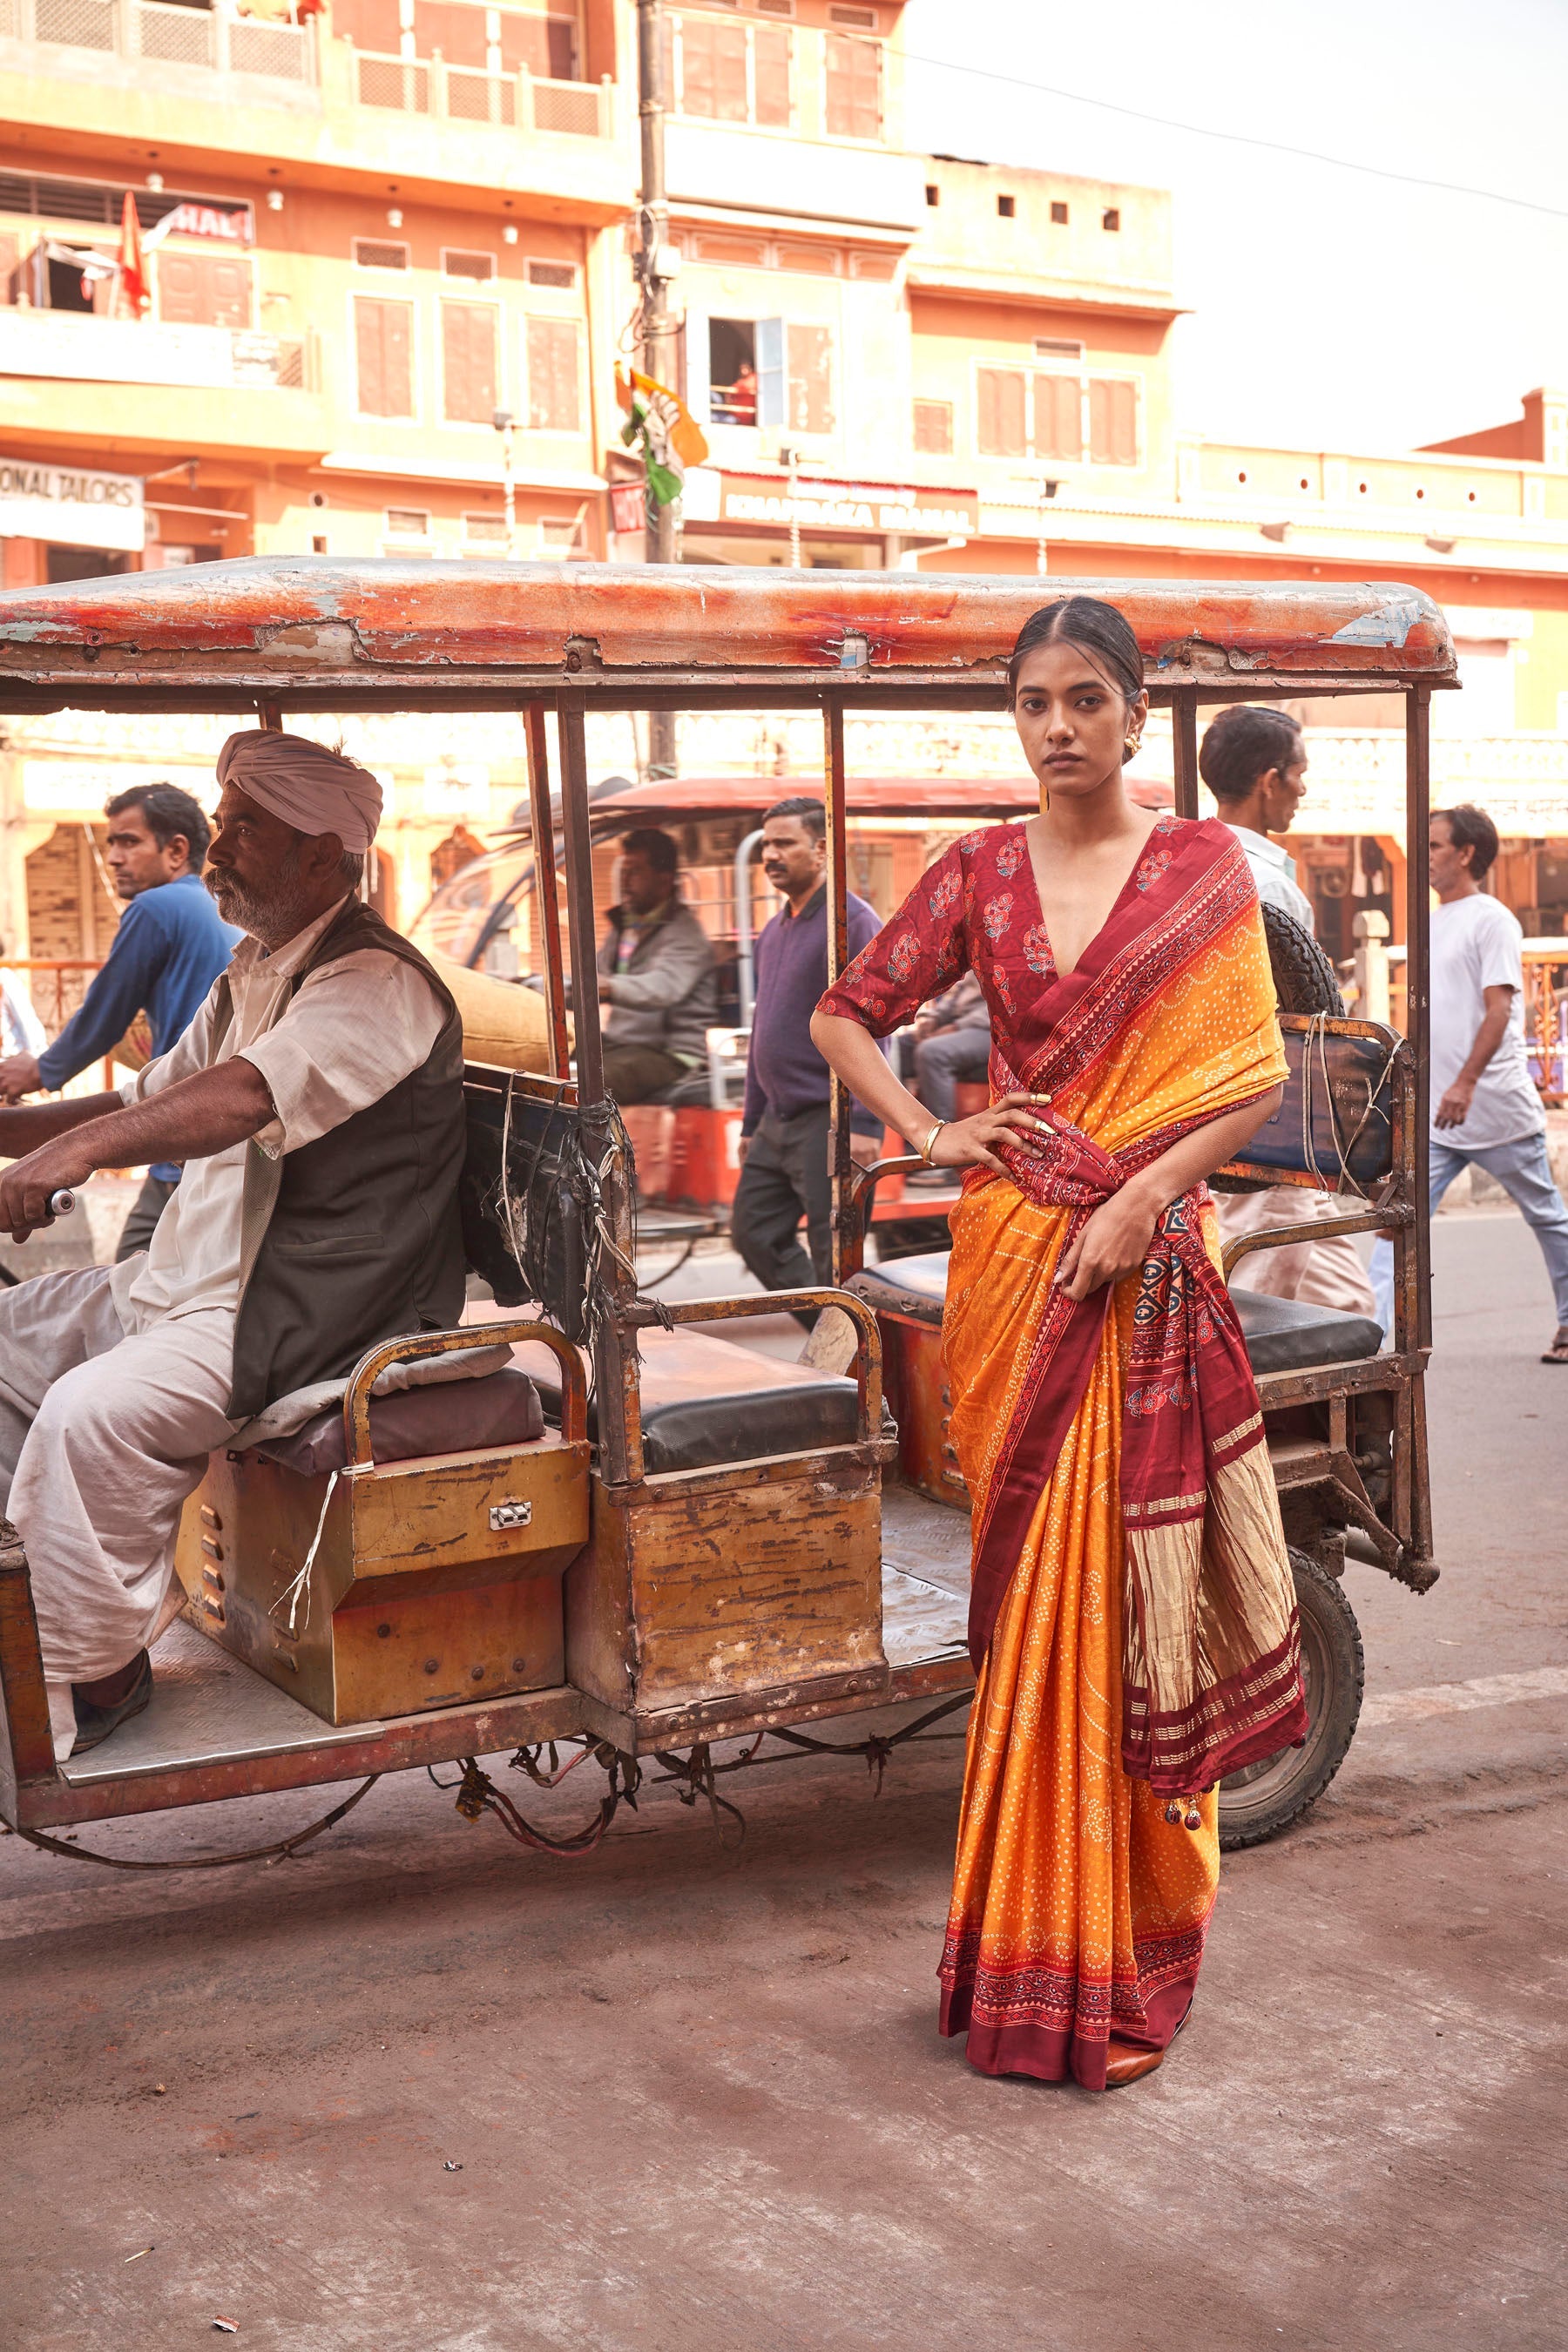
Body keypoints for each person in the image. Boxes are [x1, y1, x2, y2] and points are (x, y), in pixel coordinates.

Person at [812, 597, 1304, 2092]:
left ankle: (1128, 1934)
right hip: (1019, 1255)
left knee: (1125, 1597)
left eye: (1086, 697)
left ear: (1136, 714)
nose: (1058, 725)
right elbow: (848, 1015)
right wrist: (929, 1126)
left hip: (1140, 1259)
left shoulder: (1202, 868)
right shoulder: (972, 869)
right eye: (1034, 701)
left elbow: (1251, 1078)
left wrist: (1144, 1198)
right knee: (1035, 1605)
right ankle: (1026, 1949)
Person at [0, 730, 466, 1764]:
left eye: (243, 827)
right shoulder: (258, 969)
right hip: (189, 1283)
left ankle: (96, 1670)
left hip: (301, 1307)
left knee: (90, 1416)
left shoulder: (378, 985)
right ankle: (30, 1610)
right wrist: (15, 1139)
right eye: (222, 822)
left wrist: (69, 1155)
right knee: (6, 1339)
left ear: (322, 855)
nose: (217, 847)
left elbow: (242, 1097)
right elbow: (143, 1097)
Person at [0, 783, 240, 1262]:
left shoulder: (157, 908)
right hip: (214, 1127)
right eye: (112, 842)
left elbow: (104, 1015)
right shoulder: (216, 904)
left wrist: (40, 1070)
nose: (113, 856)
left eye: (129, 841)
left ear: (176, 850)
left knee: (133, 1276)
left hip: (183, 1126)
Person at [1370, 805, 1568, 1362]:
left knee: (1549, 1218)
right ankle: (1371, 1342)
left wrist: (1464, 1084)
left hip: (1495, 1108)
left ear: (1467, 853)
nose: (1426, 857)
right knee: (1394, 1225)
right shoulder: (1430, 920)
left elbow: (1499, 1010)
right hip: (1436, 1116)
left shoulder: (1493, 919)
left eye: (1435, 846)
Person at [1198, 706, 1377, 1318]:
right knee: (1250, 1321)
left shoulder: (1198, 864)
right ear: (1270, 780)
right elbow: (1297, 1029)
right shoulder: (1264, 885)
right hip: (1270, 1137)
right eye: (1299, 774)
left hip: (1267, 1142)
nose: (1304, 788)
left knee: (1349, 1306)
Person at [734, 796, 882, 1306]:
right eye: (766, 844)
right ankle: (829, 1349)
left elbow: (874, 1024)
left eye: (785, 843)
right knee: (753, 1235)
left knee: (835, 1258)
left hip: (830, 1117)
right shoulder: (773, 931)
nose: (771, 854)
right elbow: (763, 1029)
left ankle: (856, 1375)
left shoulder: (850, 923)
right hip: (777, 1123)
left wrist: (864, 1123)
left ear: (821, 849)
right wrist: (752, 1123)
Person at [595, 828, 717, 1105]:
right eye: (624, 871)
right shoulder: (626, 927)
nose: (625, 881)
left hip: (669, 1055)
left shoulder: (686, 934)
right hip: (623, 1045)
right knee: (547, 1067)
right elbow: (592, 979)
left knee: (588, 1087)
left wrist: (606, 987)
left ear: (664, 880)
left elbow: (661, 988)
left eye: (635, 872)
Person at [913, 970, 992, 1121]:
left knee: (932, 1052)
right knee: (899, 1047)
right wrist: (934, 1020)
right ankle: (892, 1131)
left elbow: (1003, 1006)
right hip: (965, 1026)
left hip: (992, 1031)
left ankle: (943, 1131)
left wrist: (957, 1026)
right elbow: (957, 996)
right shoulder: (979, 952)